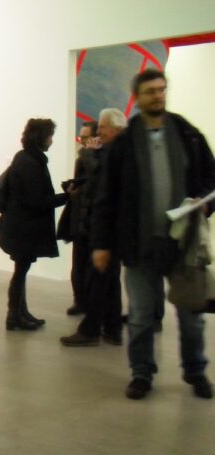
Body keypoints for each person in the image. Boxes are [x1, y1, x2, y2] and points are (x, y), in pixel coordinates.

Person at [91, 69, 215, 400]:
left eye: (162, 90)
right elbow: (107, 197)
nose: (158, 95)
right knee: (142, 317)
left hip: (183, 244)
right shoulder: (126, 143)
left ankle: (195, 371)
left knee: (191, 316)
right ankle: (142, 373)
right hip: (139, 245)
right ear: (138, 97)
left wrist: (204, 204)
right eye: (150, 91)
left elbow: (211, 178)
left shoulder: (186, 133)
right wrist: (101, 244)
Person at [60, 109, 127, 347]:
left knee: (98, 280)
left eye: (103, 129)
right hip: (106, 225)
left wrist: (87, 153)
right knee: (108, 281)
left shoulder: (114, 153)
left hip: (108, 227)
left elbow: (100, 179)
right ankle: (112, 328)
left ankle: (91, 330)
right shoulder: (114, 151)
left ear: (116, 129)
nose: (99, 133)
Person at [0, 118, 68, 331]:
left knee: (21, 271)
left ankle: (20, 313)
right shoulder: (31, 163)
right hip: (23, 229)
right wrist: (66, 197)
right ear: (41, 137)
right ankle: (14, 316)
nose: (51, 140)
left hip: (19, 227)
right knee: (20, 272)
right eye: (50, 135)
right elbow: (37, 201)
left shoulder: (24, 158)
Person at [58, 121, 99, 316]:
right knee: (78, 263)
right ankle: (79, 300)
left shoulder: (95, 158)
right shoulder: (81, 159)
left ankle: (90, 303)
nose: (82, 141)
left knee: (91, 266)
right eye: (81, 137)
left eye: (85, 137)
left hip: (92, 219)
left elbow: (95, 184)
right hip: (78, 218)